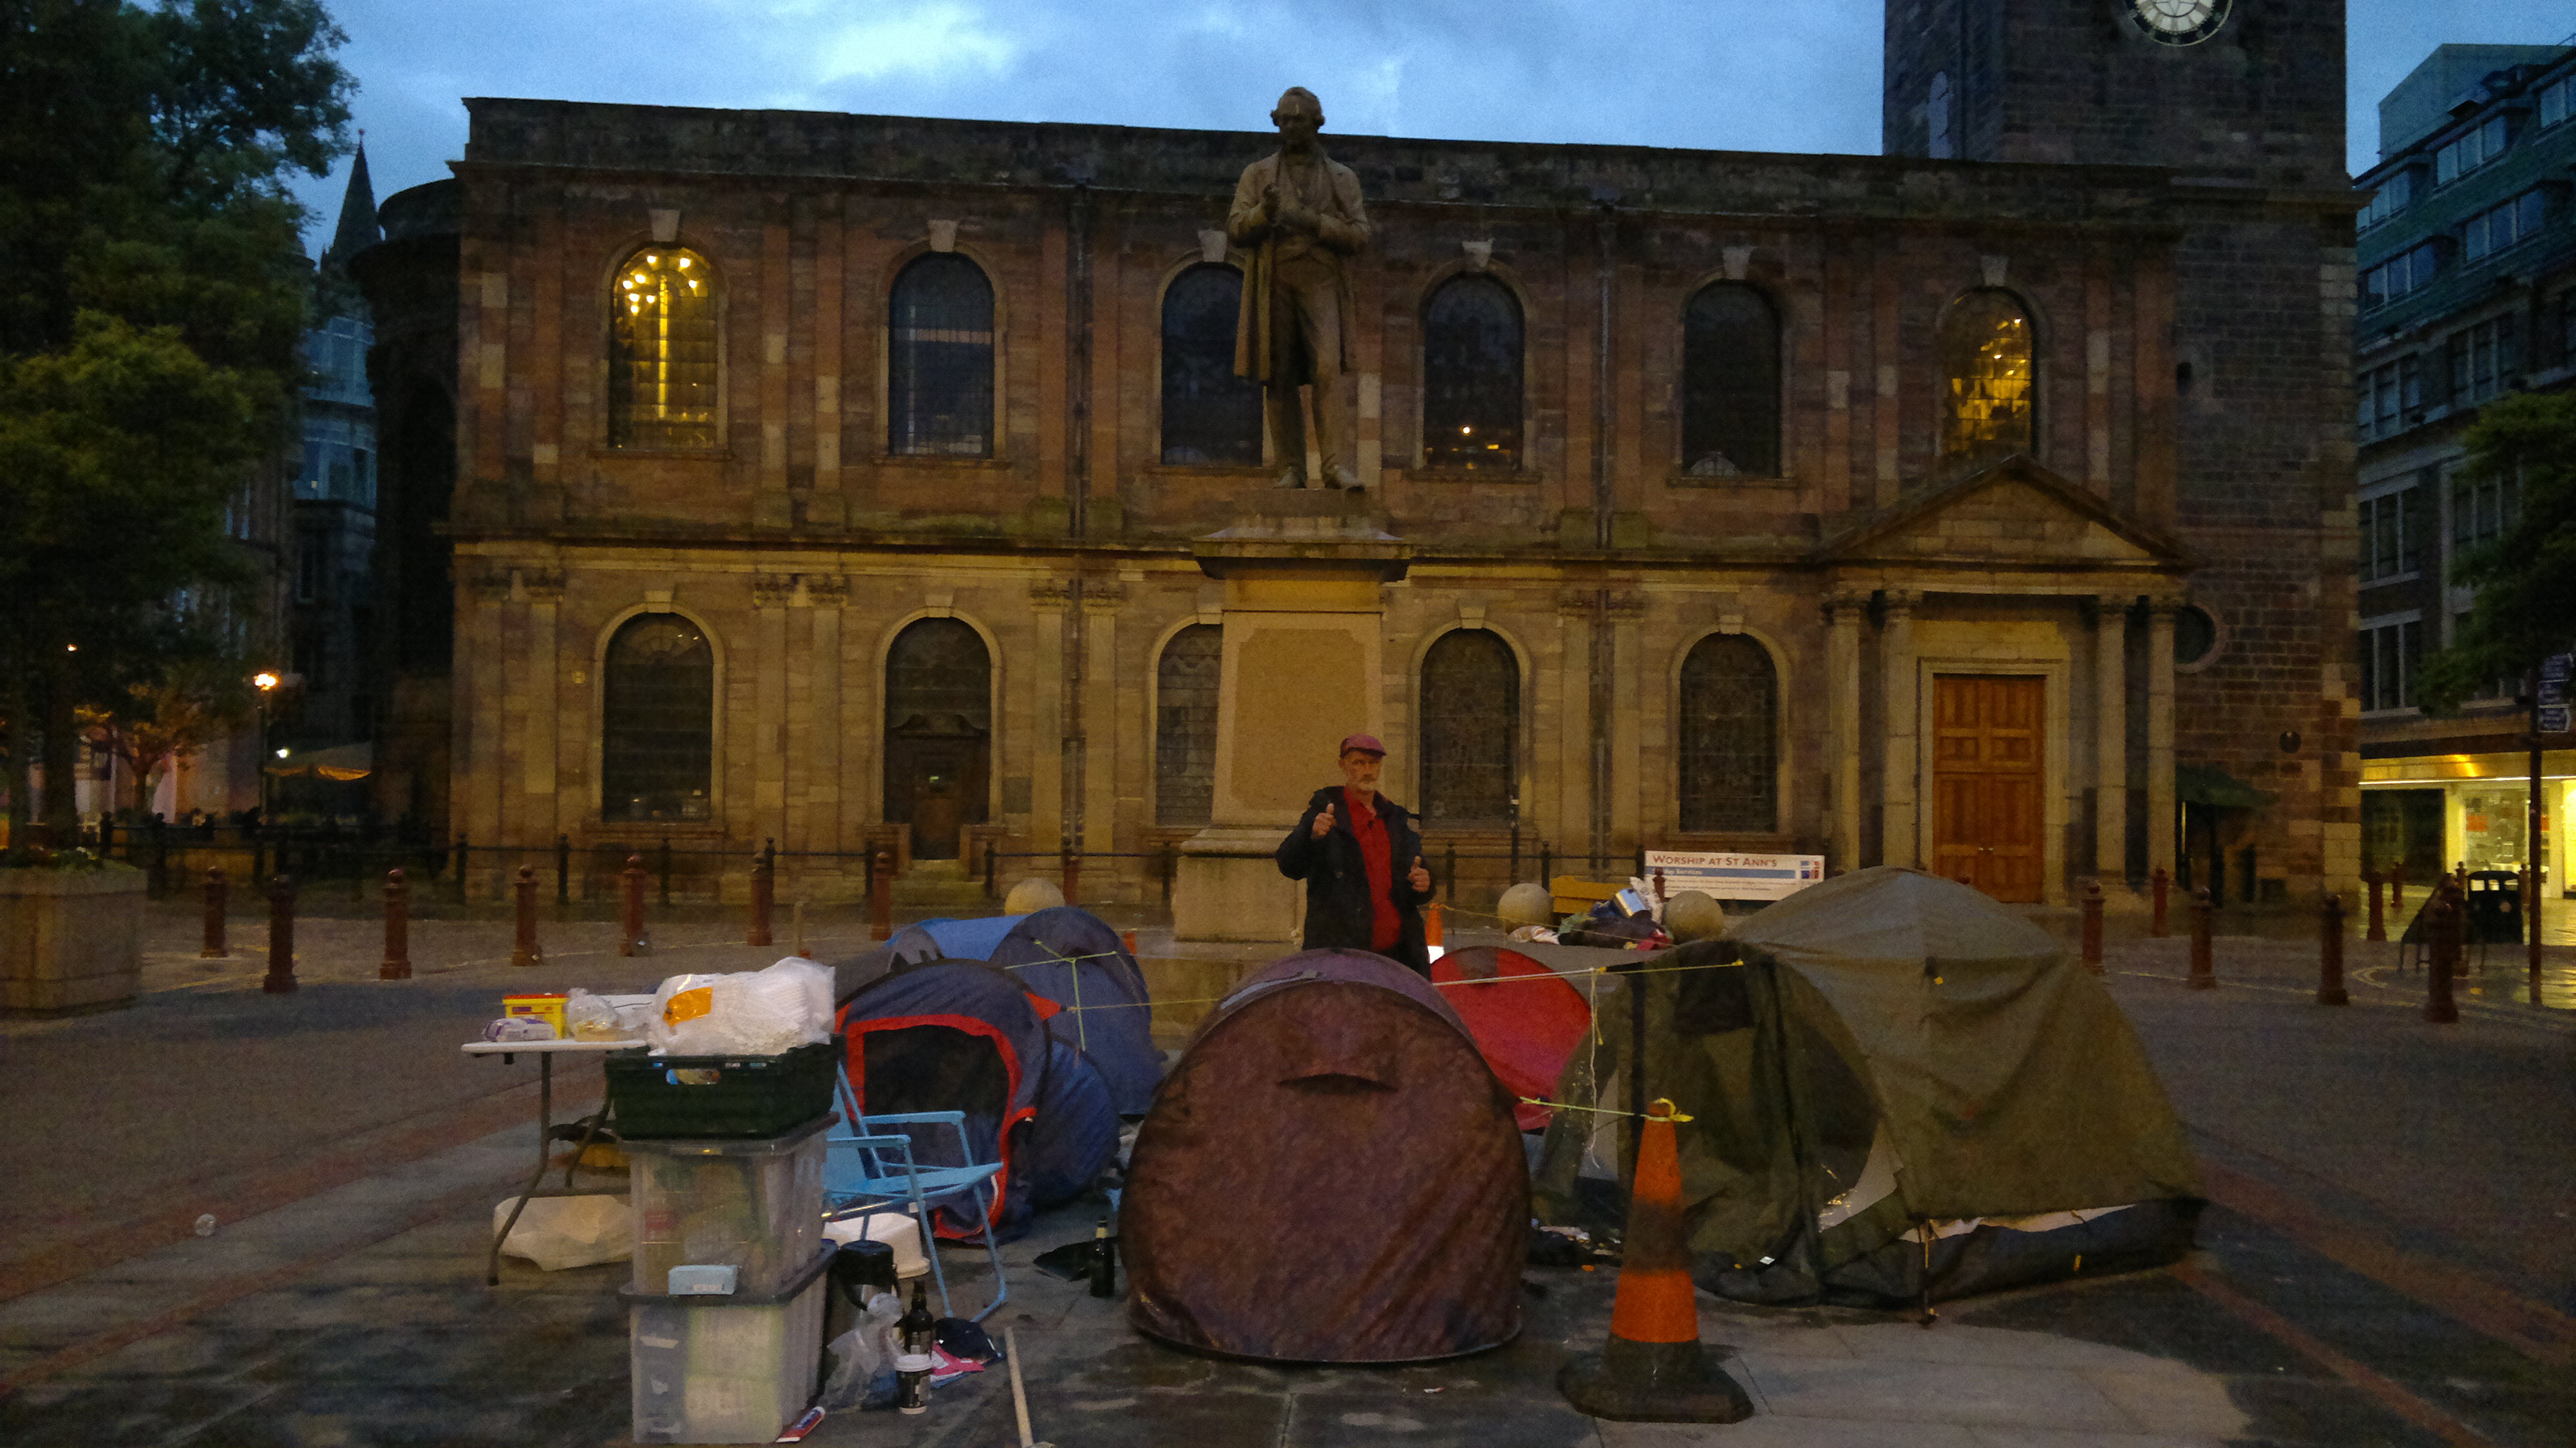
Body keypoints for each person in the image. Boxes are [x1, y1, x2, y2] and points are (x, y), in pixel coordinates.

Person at [1228, 86, 1370, 491]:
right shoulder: (1257, 174)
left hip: (1322, 280)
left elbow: (1360, 234)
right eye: (1284, 120)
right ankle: (1290, 468)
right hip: (1274, 280)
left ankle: (1334, 467)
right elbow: (1235, 228)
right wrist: (1264, 213)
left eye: (1299, 120)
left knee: (1328, 370)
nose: (1290, 126)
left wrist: (1311, 221)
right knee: (1279, 374)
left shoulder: (1342, 178)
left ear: (1317, 123)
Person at [1275, 734, 1435, 973]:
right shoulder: (1324, 814)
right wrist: (1312, 836)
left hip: (1398, 956)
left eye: (1373, 763)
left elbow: (1415, 878)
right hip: (1341, 956)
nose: (1367, 771)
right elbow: (1289, 865)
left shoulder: (1395, 819)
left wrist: (1424, 883)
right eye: (1359, 763)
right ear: (1344, 766)